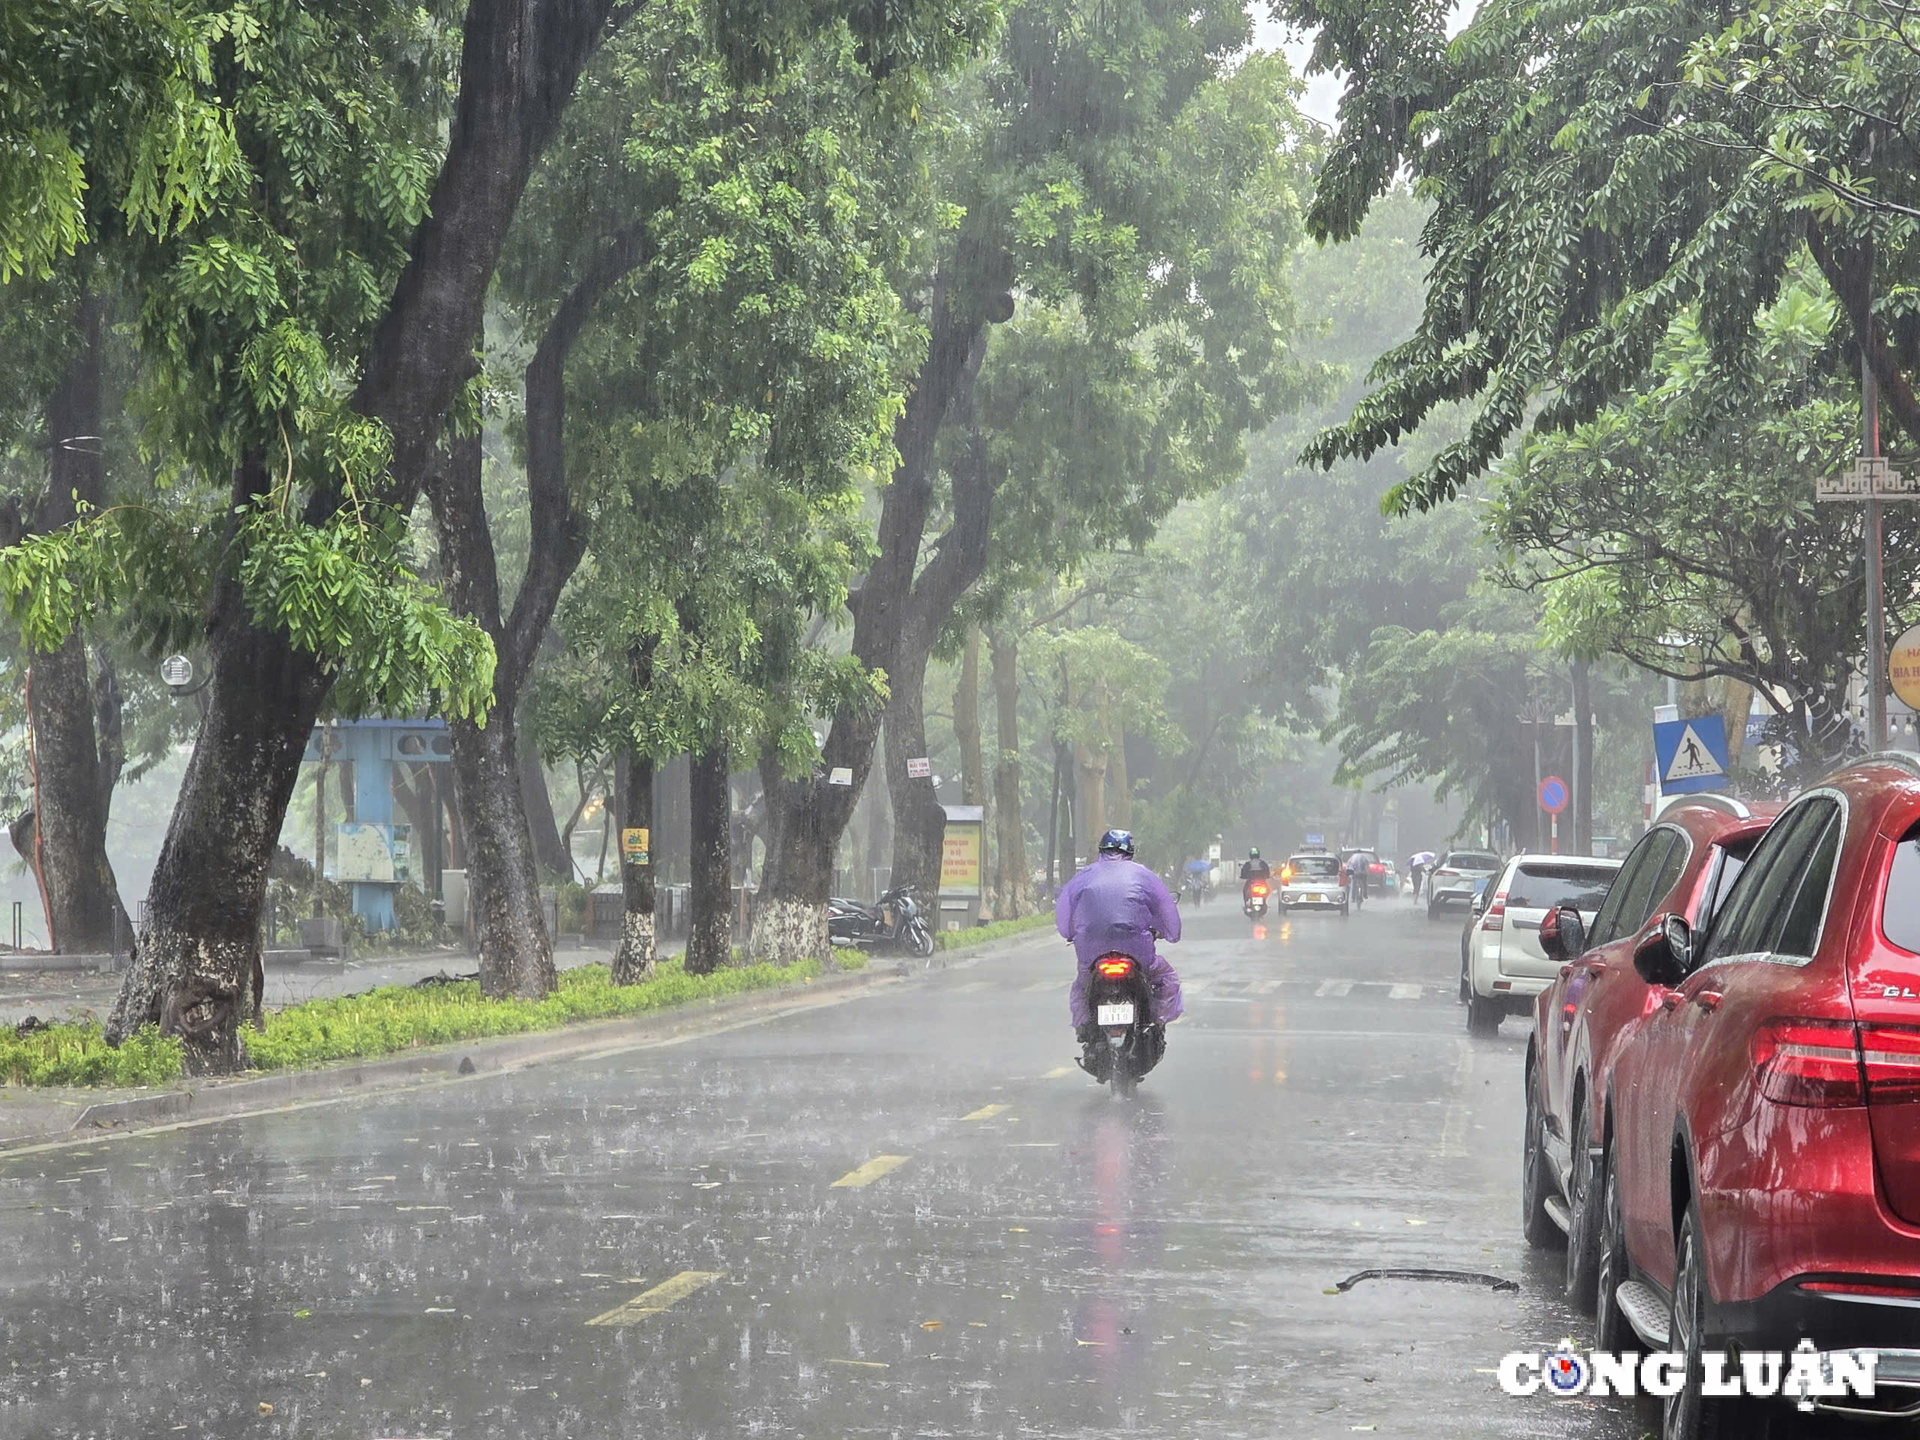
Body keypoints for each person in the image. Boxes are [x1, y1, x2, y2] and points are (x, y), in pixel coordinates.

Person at [1056, 829, 1184, 1073]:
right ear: (1130, 852)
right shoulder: (1144, 876)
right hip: (1137, 951)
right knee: (1165, 978)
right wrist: (1169, 934)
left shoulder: (1083, 877)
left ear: (1101, 851)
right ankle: (1156, 1022)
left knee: (1082, 987)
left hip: (1091, 954)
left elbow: (1064, 918)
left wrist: (1071, 934)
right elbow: (1166, 913)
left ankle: (1084, 1026)